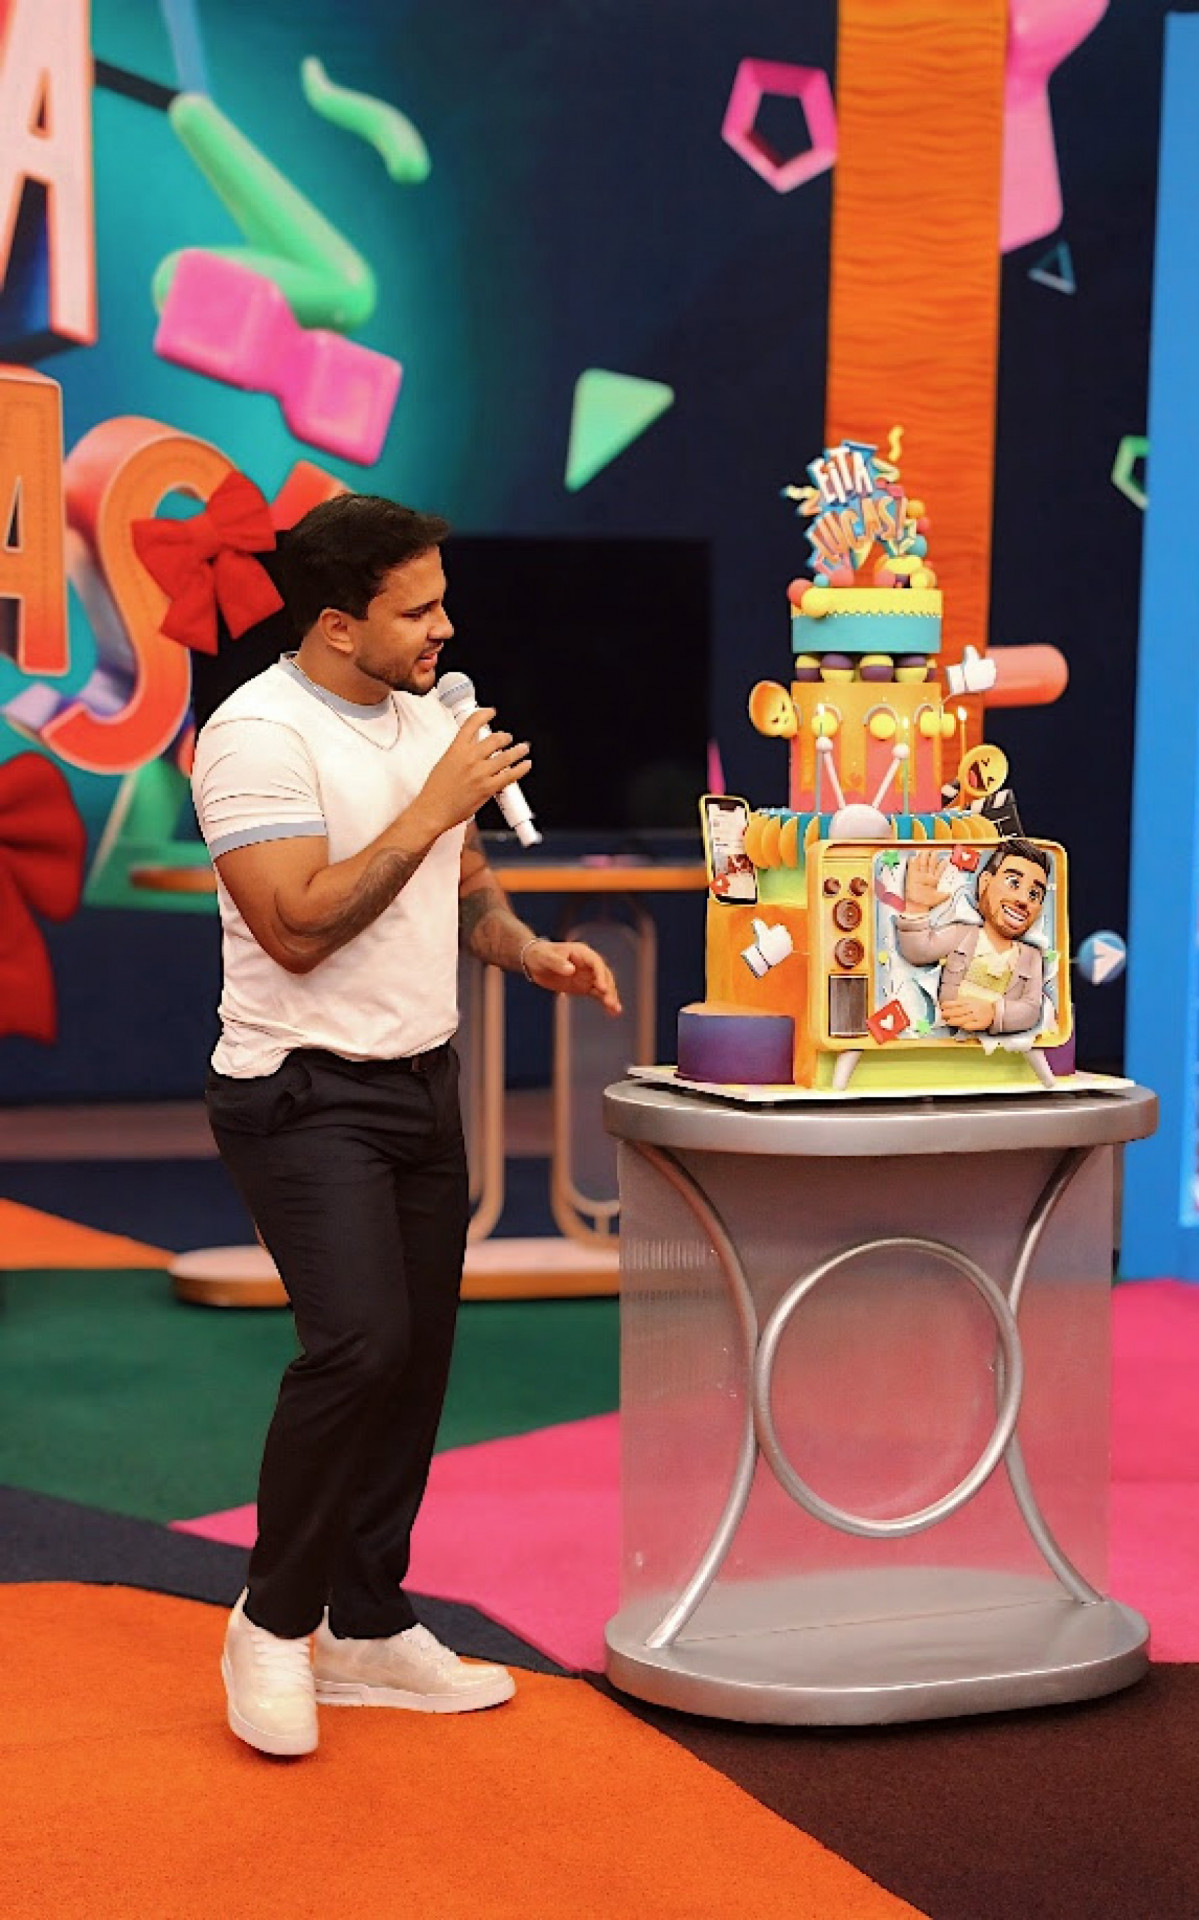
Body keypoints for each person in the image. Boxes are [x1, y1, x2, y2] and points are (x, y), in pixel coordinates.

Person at [191, 493, 621, 1757]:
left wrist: (527, 952)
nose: (445, 627)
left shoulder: (429, 716)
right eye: (416, 609)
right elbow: (296, 927)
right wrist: (432, 802)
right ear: (337, 624)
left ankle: (366, 1625)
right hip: (298, 1091)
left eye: (442, 600)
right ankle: (272, 1627)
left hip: (420, 1082)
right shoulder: (254, 735)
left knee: (417, 1356)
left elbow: (464, 887)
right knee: (359, 1346)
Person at [896, 839, 1050, 1038]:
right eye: (1013, 883)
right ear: (985, 882)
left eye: (1034, 894)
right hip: (946, 1039)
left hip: (998, 1049)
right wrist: (916, 906)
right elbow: (918, 952)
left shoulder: (1032, 957)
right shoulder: (962, 935)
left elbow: (1031, 1010)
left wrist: (994, 1014)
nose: (1022, 900)